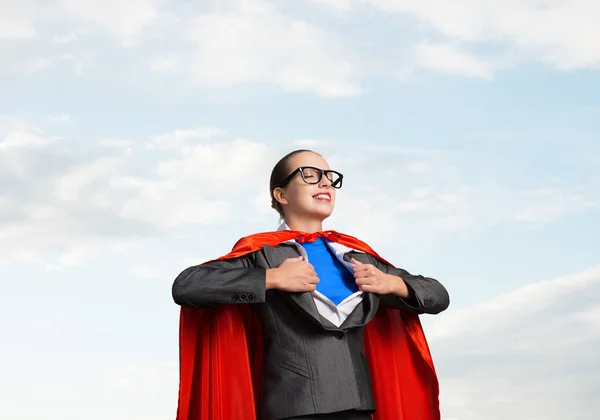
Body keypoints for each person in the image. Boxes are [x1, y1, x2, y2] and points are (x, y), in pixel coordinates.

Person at [172, 149, 450, 420]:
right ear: (281, 195)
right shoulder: (260, 253)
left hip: (360, 408)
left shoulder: (358, 255)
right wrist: (273, 278)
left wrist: (392, 283)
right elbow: (188, 285)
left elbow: (438, 296)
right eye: (310, 174)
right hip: (293, 408)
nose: (325, 182)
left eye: (329, 177)